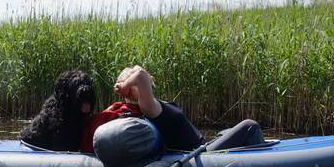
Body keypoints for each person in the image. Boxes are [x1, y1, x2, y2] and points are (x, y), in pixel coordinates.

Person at [95, 65, 263, 151]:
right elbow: (140, 75)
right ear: (132, 88)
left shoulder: (152, 103)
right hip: (200, 154)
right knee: (249, 125)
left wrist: (131, 77)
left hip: (204, 145)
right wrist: (125, 84)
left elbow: (140, 72)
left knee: (225, 132)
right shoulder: (148, 107)